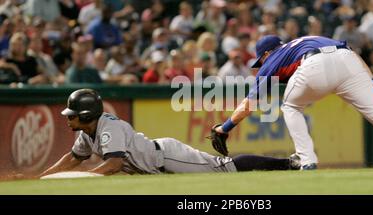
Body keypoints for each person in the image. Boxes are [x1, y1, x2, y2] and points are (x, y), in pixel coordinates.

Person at [211, 35, 373, 170]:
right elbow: (352, 53)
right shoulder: (307, 39)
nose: (260, 66)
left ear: (266, 54)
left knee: (291, 107)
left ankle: (307, 159)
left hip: (314, 65)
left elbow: (249, 105)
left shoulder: (272, 61)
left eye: (259, 62)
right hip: (348, 61)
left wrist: (225, 127)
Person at [35, 89, 299, 178]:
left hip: (166, 157)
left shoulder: (108, 127)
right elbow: (72, 159)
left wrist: (86, 179)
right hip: (156, 163)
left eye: (71, 114)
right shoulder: (87, 132)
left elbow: (114, 163)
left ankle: (289, 163)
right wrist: (44, 177)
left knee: (223, 168)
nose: (68, 118)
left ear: (85, 115)